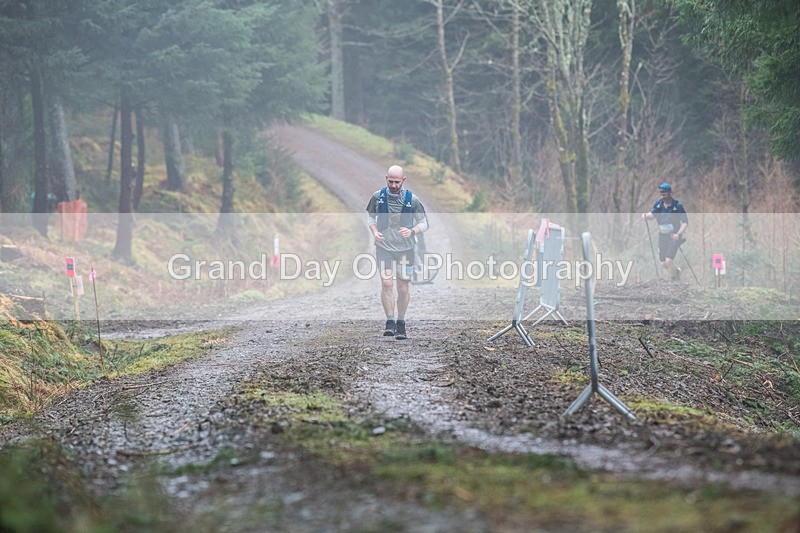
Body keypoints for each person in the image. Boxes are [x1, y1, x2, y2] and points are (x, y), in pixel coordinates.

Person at [366, 165, 429, 340]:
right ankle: (389, 321)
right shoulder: (377, 197)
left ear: (403, 180)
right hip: (384, 247)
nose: (393, 185)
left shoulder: (412, 200)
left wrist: (413, 231)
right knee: (387, 284)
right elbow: (371, 217)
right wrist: (374, 231)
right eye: (390, 181)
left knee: (402, 287)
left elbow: (424, 223)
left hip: (406, 250)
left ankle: (401, 322)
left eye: (397, 182)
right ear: (386, 178)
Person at [642, 182, 688, 280]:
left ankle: (674, 281)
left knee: (668, 261)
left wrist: (678, 234)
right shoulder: (658, 204)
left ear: (670, 193)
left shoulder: (677, 205)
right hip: (662, 236)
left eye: (665, 193)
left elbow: (684, 222)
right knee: (663, 263)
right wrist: (646, 216)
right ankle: (677, 272)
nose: (663, 196)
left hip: (673, 236)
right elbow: (652, 215)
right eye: (661, 193)